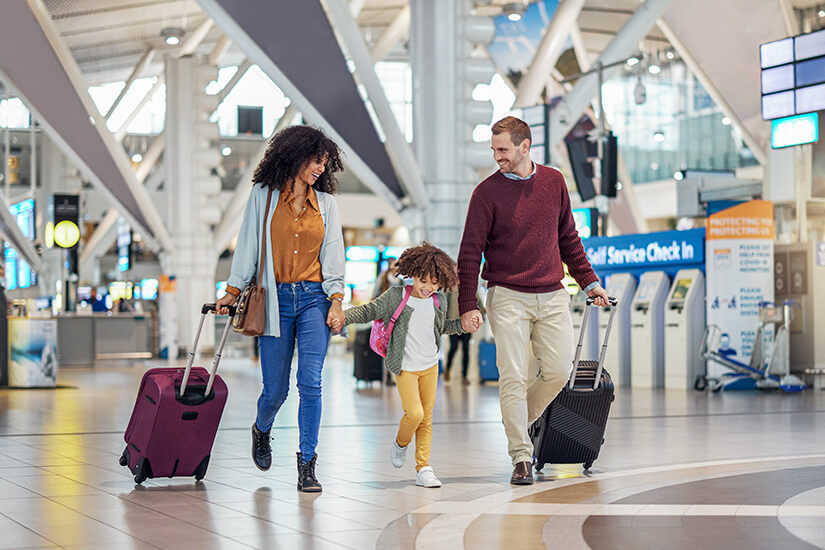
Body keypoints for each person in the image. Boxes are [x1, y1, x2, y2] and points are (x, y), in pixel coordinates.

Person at [457, 116, 609, 486]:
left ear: (525, 146)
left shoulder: (554, 182)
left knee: (559, 371)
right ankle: (521, 456)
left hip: (553, 293)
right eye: (494, 150)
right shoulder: (486, 193)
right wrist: (467, 304)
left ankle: (522, 420)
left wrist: (589, 283)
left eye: (504, 150)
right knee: (513, 375)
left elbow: (569, 239)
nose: (498, 157)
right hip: (507, 295)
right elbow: (469, 252)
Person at [215, 125, 346, 493]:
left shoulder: (328, 205)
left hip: (314, 299)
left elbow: (334, 254)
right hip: (274, 299)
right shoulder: (264, 196)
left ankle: (307, 464)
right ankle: (262, 427)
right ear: (293, 155)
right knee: (276, 390)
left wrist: (336, 300)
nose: (320, 168)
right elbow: (248, 247)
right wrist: (231, 291)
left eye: (324, 162)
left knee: (311, 382)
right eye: (315, 160)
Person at [329, 243, 471, 488]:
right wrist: (343, 317)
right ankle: (400, 443)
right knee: (414, 413)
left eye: (435, 282)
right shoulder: (396, 296)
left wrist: (461, 326)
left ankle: (423, 468)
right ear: (413, 274)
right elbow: (369, 311)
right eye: (423, 280)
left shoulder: (440, 301)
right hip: (404, 365)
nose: (428, 287)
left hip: (430, 365)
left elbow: (440, 328)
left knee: (426, 419)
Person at [444, 289, 484, 385]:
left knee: (466, 350)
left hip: (467, 324)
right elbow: (444, 305)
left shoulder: (469, 287)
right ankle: (448, 369)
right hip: (453, 324)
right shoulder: (450, 289)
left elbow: (478, 301)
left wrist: (482, 311)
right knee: (453, 348)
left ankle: (464, 376)